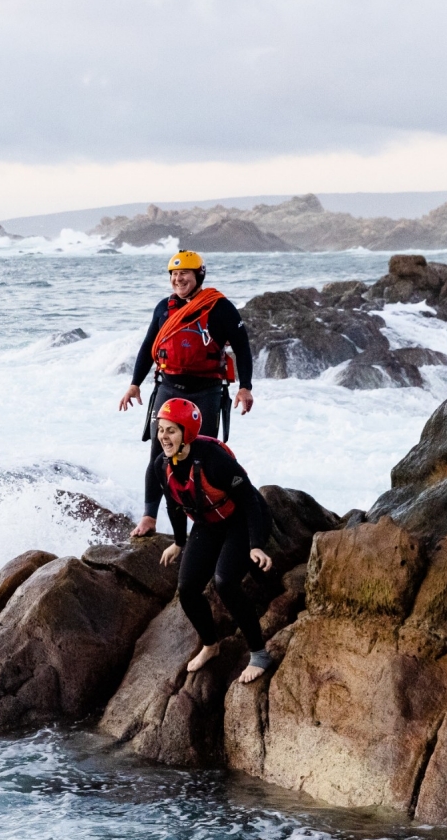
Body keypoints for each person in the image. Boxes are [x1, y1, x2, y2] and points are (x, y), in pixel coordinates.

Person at [120, 249, 255, 538]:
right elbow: (148, 347)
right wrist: (134, 383)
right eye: (174, 274)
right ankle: (149, 517)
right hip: (168, 390)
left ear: (198, 276)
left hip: (206, 392)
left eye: (185, 274)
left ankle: (203, 524)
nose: (178, 279)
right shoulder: (164, 308)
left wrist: (245, 387)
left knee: (200, 459)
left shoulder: (220, 308)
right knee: (159, 455)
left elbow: (243, 348)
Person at [144, 398, 275, 684]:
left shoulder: (215, 461)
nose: (163, 437)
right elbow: (174, 504)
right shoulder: (161, 464)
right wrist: (179, 542)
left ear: (187, 433)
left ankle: (259, 654)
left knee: (225, 582)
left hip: (241, 519)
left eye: (171, 431)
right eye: (161, 429)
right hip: (209, 524)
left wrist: (256, 544)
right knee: (187, 588)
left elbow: (250, 501)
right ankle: (210, 644)